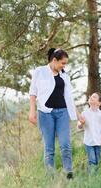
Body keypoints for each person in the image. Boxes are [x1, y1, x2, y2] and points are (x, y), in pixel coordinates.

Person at [28, 48, 83, 179]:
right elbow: (33, 92)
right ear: (54, 60)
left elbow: (69, 97)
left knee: (65, 145)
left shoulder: (65, 75)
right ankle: (50, 177)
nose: (64, 66)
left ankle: (68, 174)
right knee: (49, 148)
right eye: (62, 63)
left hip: (62, 113)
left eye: (65, 63)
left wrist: (78, 114)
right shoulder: (40, 71)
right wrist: (32, 111)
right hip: (45, 113)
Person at [77, 92, 101, 174]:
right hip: (88, 141)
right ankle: (90, 176)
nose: (91, 97)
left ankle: (96, 176)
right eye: (90, 96)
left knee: (97, 160)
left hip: (98, 141)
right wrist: (81, 123)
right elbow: (79, 126)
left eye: (94, 97)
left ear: (99, 103)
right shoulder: (84, 113)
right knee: (92, 160)